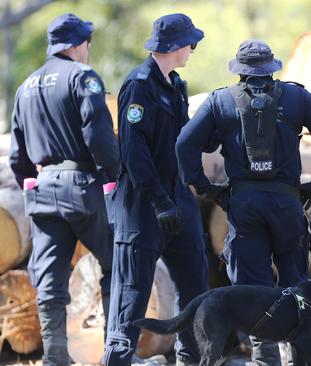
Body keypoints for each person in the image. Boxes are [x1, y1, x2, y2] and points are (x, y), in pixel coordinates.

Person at [175, 39, 311, 365]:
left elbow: (184, 143)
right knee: (297, 284)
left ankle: (265, 360)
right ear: (271, 67)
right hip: (287, 205)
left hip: (244, 206)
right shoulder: (298, 97)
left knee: (252, 287)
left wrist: (205, 187)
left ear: (239, 71)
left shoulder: (220, 101)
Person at [9, 13, 119, 366]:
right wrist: (114, 174)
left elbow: (17, 154)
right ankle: (115, 353)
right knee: (116, 265)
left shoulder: (25, 86)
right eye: (88, 42)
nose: (89, 49)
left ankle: (55, 358)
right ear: (76, 44)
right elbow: (97, 134)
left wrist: (31, 182)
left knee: (50, 280)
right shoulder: (82, 78)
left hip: (42, 192)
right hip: (84, 187)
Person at [102, 13, 208, 366]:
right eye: (190, 43)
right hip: (143, 204)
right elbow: (134, 152)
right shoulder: (139, 85)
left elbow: (184, 138)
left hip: (177, 198)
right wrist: (160, 202)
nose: (193, 48)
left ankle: (190, 359)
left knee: (195, 284)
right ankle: (117, 360)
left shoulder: (175, 85)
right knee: (131, 295)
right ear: (177, 46)